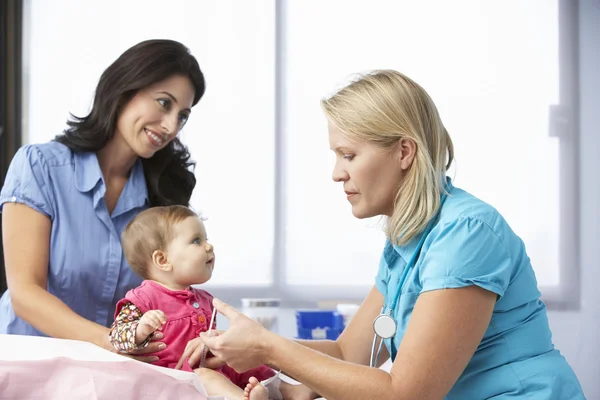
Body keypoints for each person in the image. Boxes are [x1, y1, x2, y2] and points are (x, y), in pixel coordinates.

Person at [198, 70, 586, 399]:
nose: (336, 173)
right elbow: (348, 352)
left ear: (404, 152)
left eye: (348, 155)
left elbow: (406, 393)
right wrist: (248, 347)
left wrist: (270, 347)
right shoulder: (408, 241)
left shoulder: (466, 235)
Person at [0, 39, 205, 362]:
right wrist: (111, 341)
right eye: (164, 103)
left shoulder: (162, 195)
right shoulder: (40, 167)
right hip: (29, 364)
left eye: (182, 116)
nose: (170, 127)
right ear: (124, 89)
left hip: (113, 374)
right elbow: (25, 293)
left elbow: (169, 297)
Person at [110, 205, 315, 400]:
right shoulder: (143, 299)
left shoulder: (204, 299)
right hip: (177, 380)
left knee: (247, 363)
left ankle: (288, 391)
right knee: (207, 377)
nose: (209, 246)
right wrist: (140, 329)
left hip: (213, 368)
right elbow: (117, 336)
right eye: (196, 241)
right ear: (163, 260)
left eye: (206, 238)